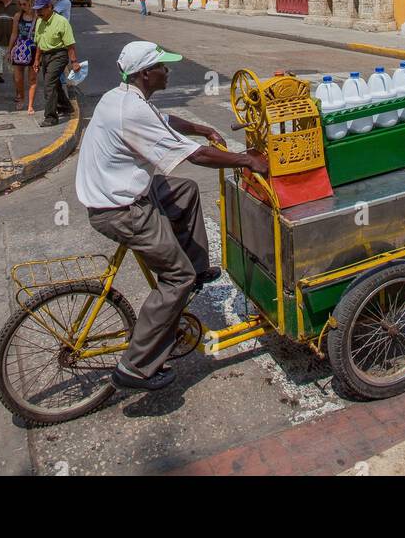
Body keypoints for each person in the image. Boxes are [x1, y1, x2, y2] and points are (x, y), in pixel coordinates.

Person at [76, 40, 267, 392]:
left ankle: (196, 269)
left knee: (185, 191)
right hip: (120, 207)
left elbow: (165, 122)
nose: (168, 71)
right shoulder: (131, 111)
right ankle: (136, 367)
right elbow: (196, 158)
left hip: (121, 190)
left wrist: (201, 129)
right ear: (146, 73)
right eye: (162, 67)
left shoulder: (124, 97)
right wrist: (248, 159)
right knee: (173, 278)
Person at [33, 0, 79, 127]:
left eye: (41, 10)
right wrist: (36, 60)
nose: (38, 13)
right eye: (37, 10)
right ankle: (66, 106)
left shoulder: (61, 22)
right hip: (46, 56)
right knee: (55, 84)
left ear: (49, 7)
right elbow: (39, 43)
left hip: (59, 54)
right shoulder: (39, 22)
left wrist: (74, 62)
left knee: (49, 85)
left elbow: (70, 44)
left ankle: (51, 117)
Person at [8, 0, 37, 113]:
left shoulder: (37, 17)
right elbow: (14, 34)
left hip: (33, 48)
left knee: (32, 78)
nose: (22, 7)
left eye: (24, 4)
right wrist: (9, 50)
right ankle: (21, 97)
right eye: (20, 4)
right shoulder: (18, 16)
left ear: (30, 3)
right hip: (20, 47)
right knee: (18, 78)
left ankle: (30, 104)